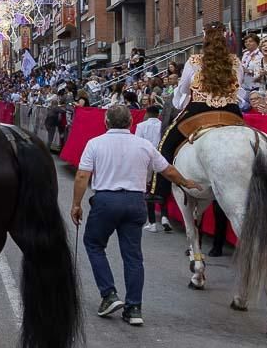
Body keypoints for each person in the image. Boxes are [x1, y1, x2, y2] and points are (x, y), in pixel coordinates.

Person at [71, 104, 200, 327]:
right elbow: (167, 170)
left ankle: (109, 293)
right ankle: (134, 307)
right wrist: (185, 182)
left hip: (106, 199)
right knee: (133, 255)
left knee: (93, 244)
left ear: (106, 122)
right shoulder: (144, 145)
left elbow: (83, 176)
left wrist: (76, 204)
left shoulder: (95, 143)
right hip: (134, 201)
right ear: (131, 123)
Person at [155, 22, 243, 257]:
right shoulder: (235, 62)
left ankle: (158, 189)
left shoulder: (195, 61)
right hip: (232, 112)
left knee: (166, 143)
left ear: (204, 39)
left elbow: (183, 89)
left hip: (199, 111)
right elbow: (240, 88)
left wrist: (182, 103)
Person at [134, 105, 171, 233]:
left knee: (149, 190)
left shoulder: (141, 126)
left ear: (147, 114)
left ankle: (152, 222)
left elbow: (137, 144)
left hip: (147, 159)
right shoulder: (163, 125)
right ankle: (165, 216)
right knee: (161, 188)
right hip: (161, 158)